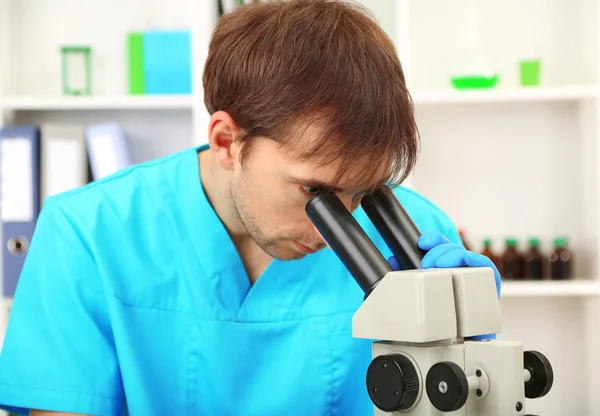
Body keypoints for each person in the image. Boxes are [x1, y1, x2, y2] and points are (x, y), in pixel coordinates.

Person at [0, 1, 501, 415]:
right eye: (315, 193)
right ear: (226, 140)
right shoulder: (87, 235)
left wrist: (469, 372)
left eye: (364, 192)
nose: (337, 232)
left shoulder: (416, 241)